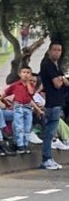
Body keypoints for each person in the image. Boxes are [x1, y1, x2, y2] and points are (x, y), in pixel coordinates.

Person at [36, 42, 65, 170]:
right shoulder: (47, 64)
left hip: (57, 102)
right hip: (52, 103)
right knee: (49, 133)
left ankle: (48, 158)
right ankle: (46, 158)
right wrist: (61, 79)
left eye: (59, 50)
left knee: (51, 133)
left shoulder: (56, 65)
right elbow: (58, 84)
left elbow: (65, 82)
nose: (57, 53)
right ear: (49, 51)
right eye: (55, 50)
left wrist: (62, 79)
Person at [3, 65, 36, 154]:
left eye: (28, 73)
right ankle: (20, 145)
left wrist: (28, 83)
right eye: (24, 72)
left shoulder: (32, 85)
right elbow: (5, 93)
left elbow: (31, 93)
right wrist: (4, 102)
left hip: (28, 107)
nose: (26, 74)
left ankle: (25, 144)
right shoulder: (15, 85)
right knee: (19, 126)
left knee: (27, 127)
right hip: (18, 106)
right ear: (20, 74)